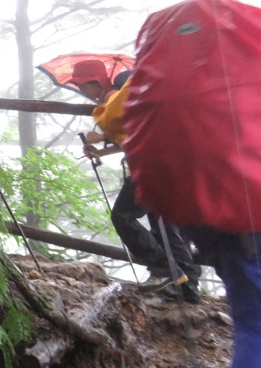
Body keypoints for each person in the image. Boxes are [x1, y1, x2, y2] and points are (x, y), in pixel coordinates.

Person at [71, 60, 201, 304]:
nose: (80, 92)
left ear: (94, 82)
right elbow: (130, 138)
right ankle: (187, 288)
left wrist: (101, 135)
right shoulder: (125, 97)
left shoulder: (114, 100)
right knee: (164, 226)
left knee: (123, 216)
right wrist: (102, 151)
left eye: (80, 86)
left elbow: (133, 131)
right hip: (167, 163)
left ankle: (164, 269)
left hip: (149, 166)